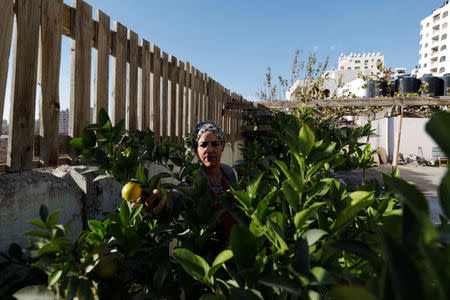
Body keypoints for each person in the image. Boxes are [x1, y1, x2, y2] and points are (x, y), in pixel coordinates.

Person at [136, 121, 238, 233]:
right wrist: (162, 201)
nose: (209, 150)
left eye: (215, 144)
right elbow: (179, 194)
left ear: (222, 146)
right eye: (203, 145)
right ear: (196, 149)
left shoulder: (228, 171)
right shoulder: (194, 178)